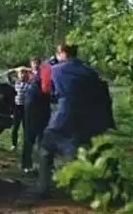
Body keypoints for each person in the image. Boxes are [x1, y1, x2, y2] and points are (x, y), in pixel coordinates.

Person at [32, 44, 116, 198]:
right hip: (86, 119)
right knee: (76, 151)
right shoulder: (90, 71)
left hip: (62, 117)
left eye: (57, 53)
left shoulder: (55, 70)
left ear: (63, 53)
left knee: (45, 149)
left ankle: (43, 187)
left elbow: (47, 91)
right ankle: (84, 188)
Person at [22, 56, 54, 173]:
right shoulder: (35, 75)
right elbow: (46, 90)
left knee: (43, 137)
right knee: (30, 137)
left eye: (37, 63)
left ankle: (44, 164)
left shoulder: (44, 72)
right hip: (33, 108)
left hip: (41, 108)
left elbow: (47, 90)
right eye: (33, 63)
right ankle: (27, 163)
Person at [11, 67, 29, 152]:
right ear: (18, 74)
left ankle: (27, 145)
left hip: (26, 108)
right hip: (17, 107)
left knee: (26, 128)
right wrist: (16, 69)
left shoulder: (30, 83)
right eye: (21, 73)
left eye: (24, 73)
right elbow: (8, 75)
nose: (22, 75)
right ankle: (14, 144)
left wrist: (28, 69)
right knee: (15, 127)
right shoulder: (15, 82)